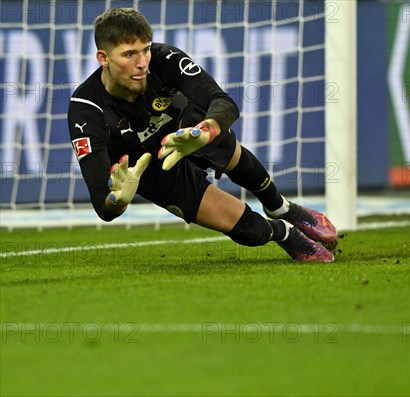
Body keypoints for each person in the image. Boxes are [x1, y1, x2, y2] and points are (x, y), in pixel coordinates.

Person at [68, 8, 338, 262]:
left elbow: (223, 102)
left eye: (145, 50)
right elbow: (103, 205)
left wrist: (206, 130)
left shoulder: (164, 60)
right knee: (244, 230)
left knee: (213, 132)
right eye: (129, 55)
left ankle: (278, 205)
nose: (142, 63)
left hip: (185, 131)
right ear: (103, 58)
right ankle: (283, 232)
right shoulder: (86, 110)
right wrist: (118, 200)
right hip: (150, 167)